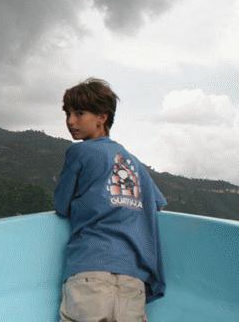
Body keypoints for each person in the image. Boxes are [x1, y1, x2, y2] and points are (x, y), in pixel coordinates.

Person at [54, 78, 167, 322]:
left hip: (89, 271)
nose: (70, 121)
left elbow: (61, 206)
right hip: (133, 281)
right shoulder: (135, 164)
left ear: (102, 117)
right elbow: (155, 204)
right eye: (68, 113)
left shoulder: (80, 152)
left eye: (79, 113)